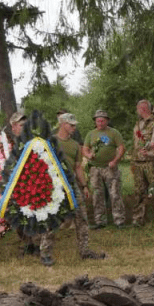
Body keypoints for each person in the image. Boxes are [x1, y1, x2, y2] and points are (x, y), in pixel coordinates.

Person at [40, 112, 104, 266]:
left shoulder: (75, 145)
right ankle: (45, 252)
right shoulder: (50, 142)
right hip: (55, 185)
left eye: (75, 125)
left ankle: (84, 250)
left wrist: (83, 186)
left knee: (81, 216)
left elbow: (77, 167)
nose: (74, 127)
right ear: (62, 124)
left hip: (72, 184)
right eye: (71, 125)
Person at [84, 110, 126, 228]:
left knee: (115, 193)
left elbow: (122, 148)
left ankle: (119, 220)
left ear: (107, 121)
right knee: (97, 194)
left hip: (110, 167)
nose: (100, 122)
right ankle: (100, 221)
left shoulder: (114, 133)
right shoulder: (91, 134)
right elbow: (85, 148)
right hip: (95, 168)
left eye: (103, 120)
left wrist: (115, 160)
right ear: (95, 121)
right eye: (98, 120)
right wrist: (88, 155)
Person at [130, 100, 154, 226]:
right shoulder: (138, 123)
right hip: (137, 162)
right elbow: (135, 143)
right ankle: (138, 219)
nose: (137, 110)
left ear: (143, 108)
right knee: (139, 191)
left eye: (138, 108)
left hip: (150, 161)